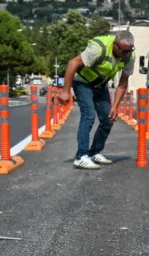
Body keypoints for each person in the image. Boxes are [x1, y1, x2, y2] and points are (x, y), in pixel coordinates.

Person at [57, 30, 135, 169]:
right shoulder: (99, 47)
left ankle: (94, 152)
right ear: (115, 44)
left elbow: (123, 83)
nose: (126, 54)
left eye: (129, 51)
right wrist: (65, 91)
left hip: (101, 87)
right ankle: (81, 156)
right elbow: (72, 63)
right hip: (83, 83)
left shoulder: (129, 56)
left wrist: (115, 106)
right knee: (88, 115)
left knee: (108, 118)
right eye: (124, 51)